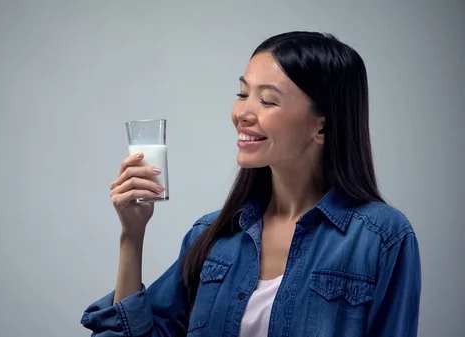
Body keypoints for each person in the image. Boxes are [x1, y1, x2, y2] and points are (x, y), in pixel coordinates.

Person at [80, 31, 421, 337]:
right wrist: (132, 235)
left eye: (267, 100)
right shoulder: (211, 237)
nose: (242, 112)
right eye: (243, 94)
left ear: (323, 128)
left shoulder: (381, 238)